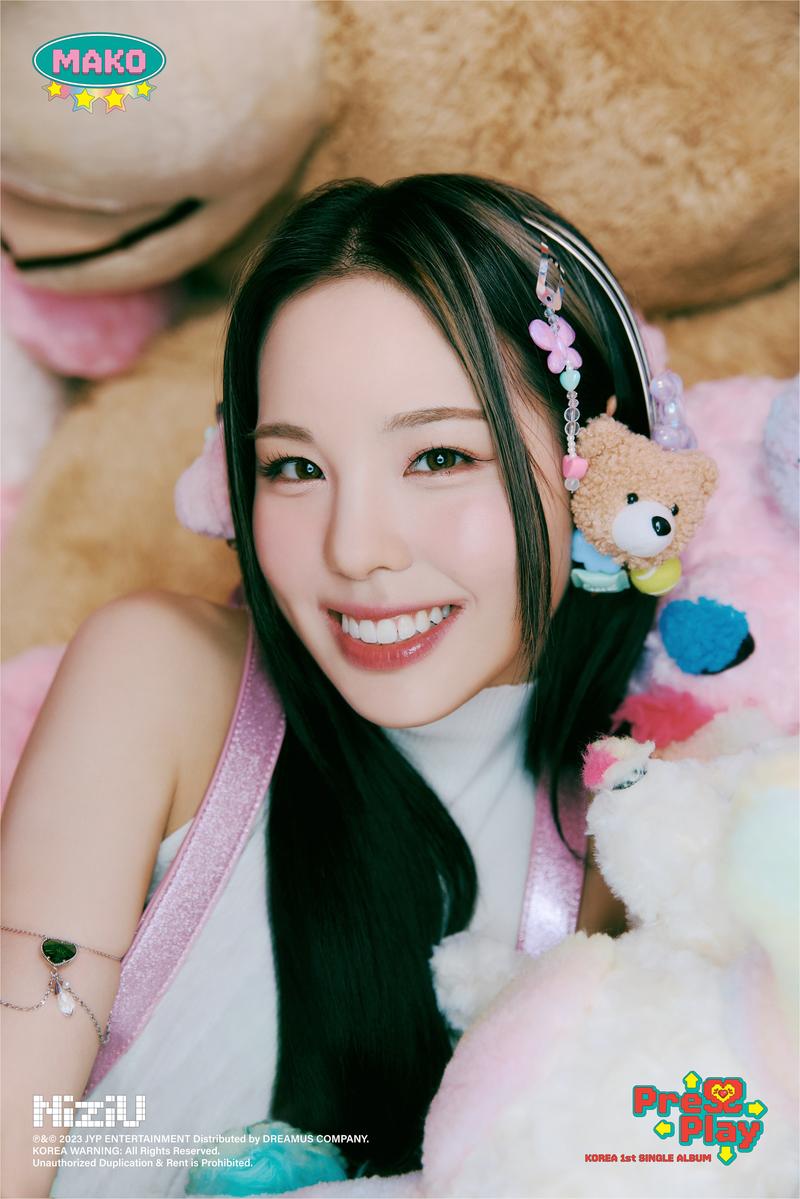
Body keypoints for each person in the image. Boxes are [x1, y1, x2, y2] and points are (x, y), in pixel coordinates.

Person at [2, 173, 660, 1198]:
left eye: (437, 455)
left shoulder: (642, 834)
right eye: (295, 468)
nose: (355, 550)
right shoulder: (164, 682)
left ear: (598, 458)